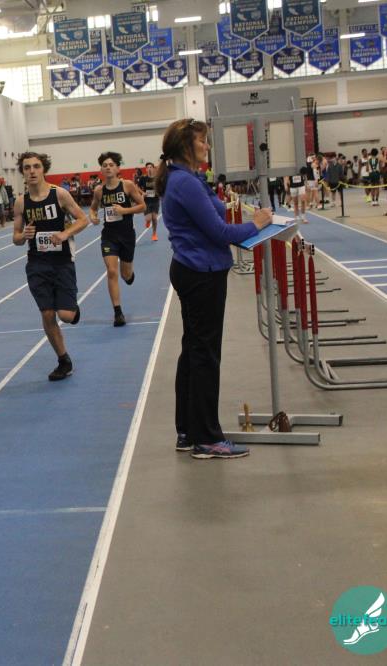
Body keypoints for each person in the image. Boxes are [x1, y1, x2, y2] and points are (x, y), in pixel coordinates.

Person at [157, 118, 272, 459]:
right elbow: (220, 232)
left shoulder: (188, 178)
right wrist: (257, 225)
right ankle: (206, 438)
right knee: (204, 356)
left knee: (194, 352)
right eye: (202, 141)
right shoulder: (185, 183)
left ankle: (187, 431)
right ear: (186, 146)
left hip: (195, 269)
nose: (207, 146)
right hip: (201, 272)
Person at [12, 152, 92, 381]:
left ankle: (71, 310)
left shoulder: (60, 194)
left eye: (36, 166)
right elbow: (16, 237)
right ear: (23, 172)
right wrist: (23, 235)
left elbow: (83, 219)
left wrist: (65, 233)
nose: (32, 171)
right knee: (47, 314)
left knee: (65, 315)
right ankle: (63, 360)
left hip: (62, 262)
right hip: (37, 264)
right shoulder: (21, 202)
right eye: (27, 167)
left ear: (43, 169)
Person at [90, 151, 146, 327]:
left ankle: (129, 275)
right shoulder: (99, 190)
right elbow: (93, 208)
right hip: (109, 236)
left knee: (125, 275)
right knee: (112, 271)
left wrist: (124, 211)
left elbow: (142, 206)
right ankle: (118, 313)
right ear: (101, 169)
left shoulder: (127, 185)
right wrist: (93, 216)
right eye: (104, 165)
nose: (108, 168)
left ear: (117, 168)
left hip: (127, 235)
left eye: (111, 165)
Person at [138, 162, 160, 241]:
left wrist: (158, 192)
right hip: (146, 201)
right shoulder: (143, 178)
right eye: (148, 167)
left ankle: (154, 234)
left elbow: (161, 187)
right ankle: (148, 221)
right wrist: (142, 193)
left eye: (151, 167)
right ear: (146, 169)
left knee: (154, 218)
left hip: (155, 200)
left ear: (153, 168)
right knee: (148, 218)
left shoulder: (157, 178)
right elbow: (137, 187)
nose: (149, 169)